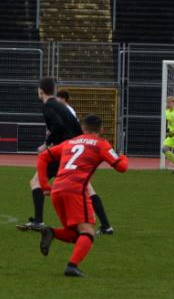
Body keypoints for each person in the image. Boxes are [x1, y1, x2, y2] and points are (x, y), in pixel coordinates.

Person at [34, 115, 129, 278]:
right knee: (88, 232)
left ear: (83, 128)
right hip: (76, 190)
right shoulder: (101, 144)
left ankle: (51, 232)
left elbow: (43, 156)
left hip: (57, 190)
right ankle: (72, 266)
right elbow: (121, 167)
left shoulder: (70, 142)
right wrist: (123, 157)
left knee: (75, 234)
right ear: (101, 130)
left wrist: (44, 185)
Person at [56, 88, 115, 233]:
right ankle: (105, 225)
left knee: (38, 182)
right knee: (87, 188)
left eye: (58, 98)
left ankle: (41, 221)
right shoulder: (64, 110)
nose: (56, 100)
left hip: (70, 152)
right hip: (72, 151)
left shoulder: (67, 111)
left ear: (63, 99)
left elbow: (71, 129)